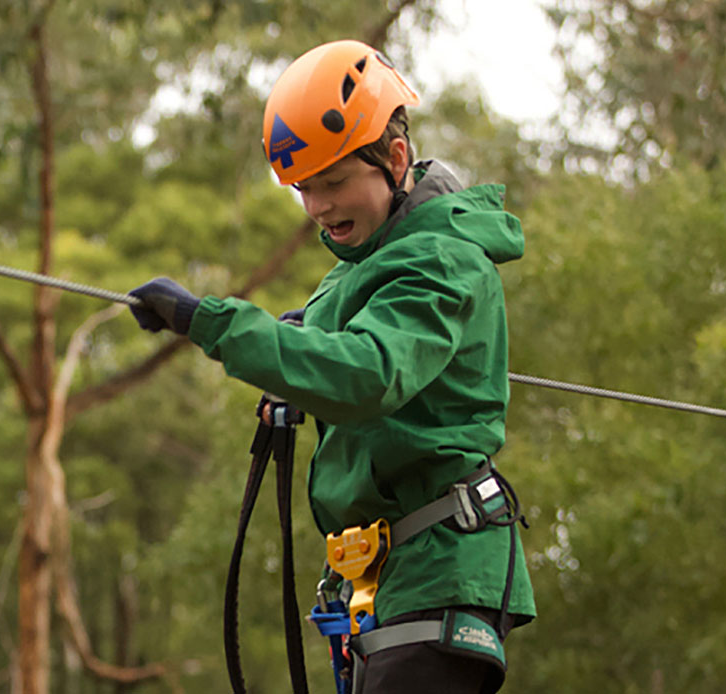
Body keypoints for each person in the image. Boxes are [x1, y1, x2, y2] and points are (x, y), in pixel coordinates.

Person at [127, 40, 534, 693]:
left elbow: (369, 372)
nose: (318, 206)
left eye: (334, 181)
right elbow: (344, 349)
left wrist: (210, 321)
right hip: (388, 586)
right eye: (304, 189)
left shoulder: (440, 259)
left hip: (438, 576)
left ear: (394, 158)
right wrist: (295, 350)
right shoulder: (365, 270)